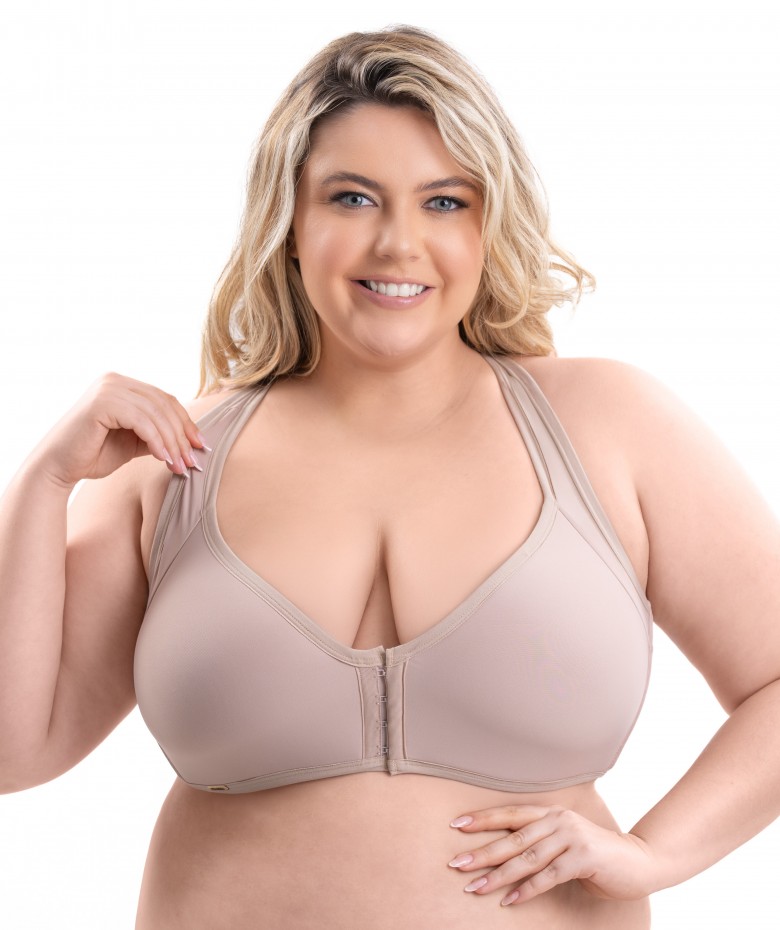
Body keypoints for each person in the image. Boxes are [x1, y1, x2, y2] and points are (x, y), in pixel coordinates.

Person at [1, 23, 779, 929]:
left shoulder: (611, 426)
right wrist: (43, 483)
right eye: (353, 198)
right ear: (290, 223)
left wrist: (657, 852)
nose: (398, 243)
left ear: (490, 222)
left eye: (444, 201)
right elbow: (16, 751)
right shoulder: (173, 461)